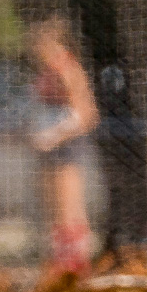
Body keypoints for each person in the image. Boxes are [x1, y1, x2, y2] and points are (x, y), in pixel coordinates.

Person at [29, 17, 99, 275]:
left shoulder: (68, 69)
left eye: (41, 44)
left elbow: (85, 114)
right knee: (54, 213)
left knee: (70, 211)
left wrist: (54, 135)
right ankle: (59, 265)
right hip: (48, 147)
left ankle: (77, 267)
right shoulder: (47, 69)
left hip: (66, 146)